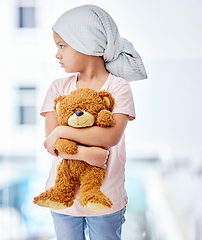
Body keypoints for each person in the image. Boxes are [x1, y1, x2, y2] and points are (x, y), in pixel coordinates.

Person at [39, 5, 147, 240]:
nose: (57, 54)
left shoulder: (118, 87)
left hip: (105, 196)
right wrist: (87, 155)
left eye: (62, 46)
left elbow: (110, 137)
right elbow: (52, 143)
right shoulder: (58, 87)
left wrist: (63, 130)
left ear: (86, 43)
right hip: (63, 197)